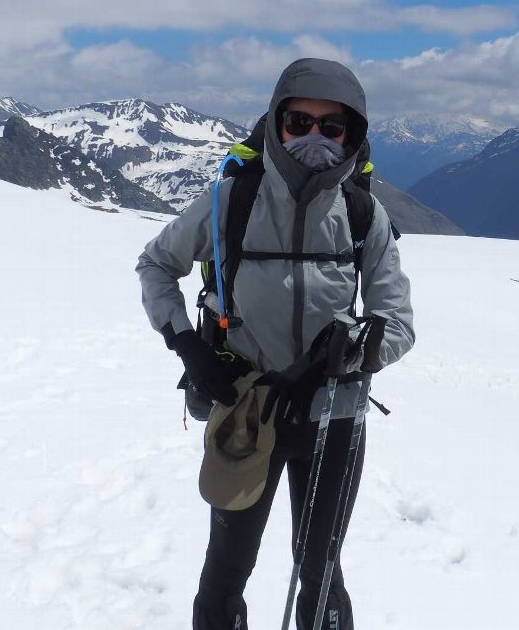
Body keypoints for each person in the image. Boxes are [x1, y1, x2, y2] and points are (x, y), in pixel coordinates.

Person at [136, 58, 415, 630]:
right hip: (246, 408)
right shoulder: (231, 200)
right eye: (298, 122)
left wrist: (350, 358)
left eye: (331, 128)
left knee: (319, 568)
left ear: (352, 135)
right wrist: (188, 346)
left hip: (332, 417)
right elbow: (157, 265)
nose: (314, 138)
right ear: (275, 123)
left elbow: (399, 322)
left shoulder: (363, 214)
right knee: (225, 573)